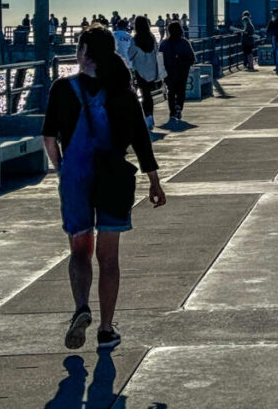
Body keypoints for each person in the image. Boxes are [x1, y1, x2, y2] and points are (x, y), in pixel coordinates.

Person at [41, 25, 166, 352]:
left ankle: (82, 307)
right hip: (114, 180)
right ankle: (107, 330)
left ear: (83, 52)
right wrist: (154, 182)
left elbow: (49, 137)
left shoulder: (62, 89)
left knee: (80, 250)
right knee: (108, 258)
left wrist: (61, 170)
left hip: (77, 179)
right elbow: (141, 140)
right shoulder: (123, 91)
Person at [127, 16, 161, 130]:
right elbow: (156, 52)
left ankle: (146, 117)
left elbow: (130, 55)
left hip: (140, 70)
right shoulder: (151, 38)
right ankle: (150, 116)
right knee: (148, 95)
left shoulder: (135, 39)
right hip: (151, 70)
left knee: (142, 93)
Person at [159, 20, 196, 121]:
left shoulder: (164, 44)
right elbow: (192, 58)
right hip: (182, 71)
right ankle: (179, 106)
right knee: (181, 90)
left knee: (171, 91)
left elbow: (160, 59)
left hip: (169, 71)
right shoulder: (184, 43)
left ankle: (172, 112)